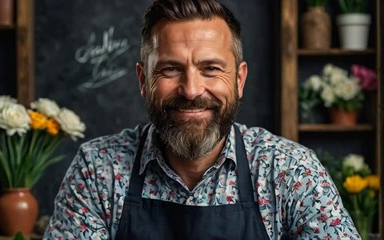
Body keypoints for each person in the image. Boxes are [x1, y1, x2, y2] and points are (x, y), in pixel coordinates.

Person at [44, 0, 360, 239]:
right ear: (143, 80)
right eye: (170, 69)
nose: (192, 90)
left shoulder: (290, 171)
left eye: (210, 68)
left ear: (239, 79)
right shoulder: (99, 171)